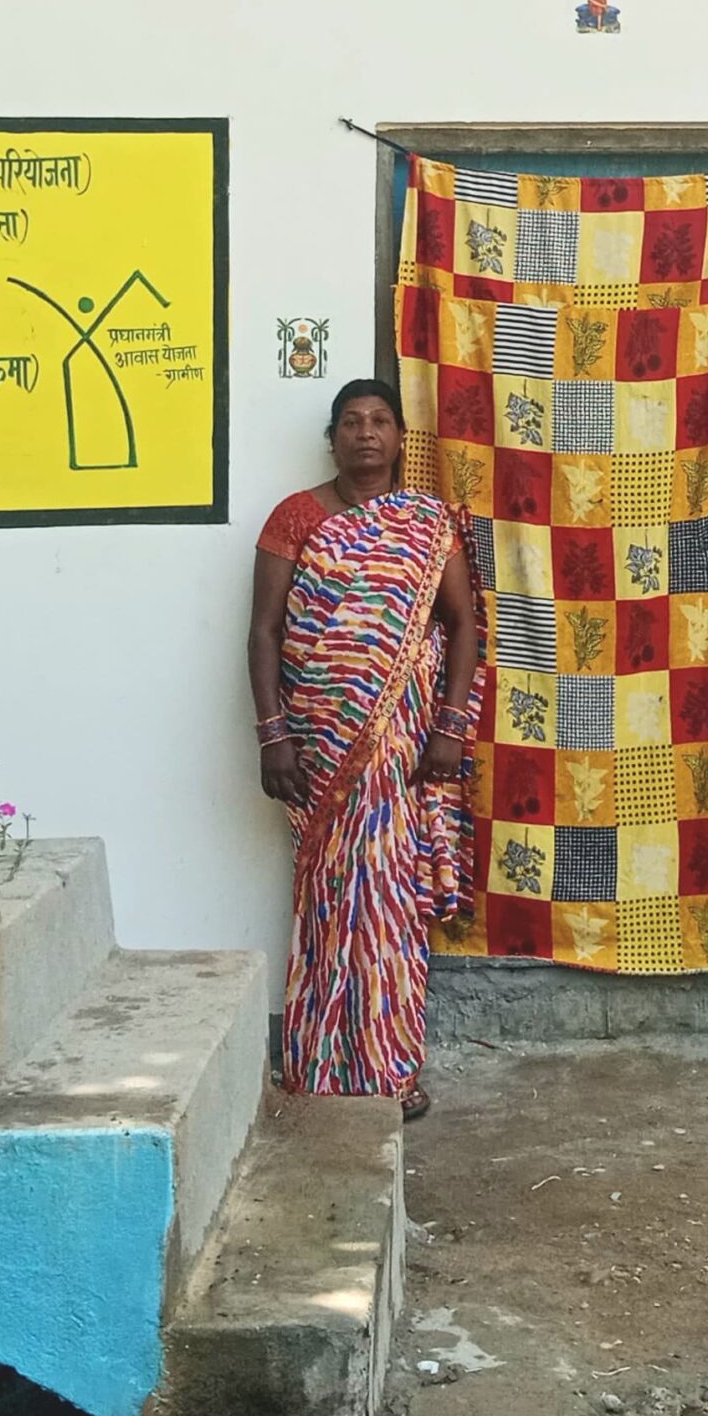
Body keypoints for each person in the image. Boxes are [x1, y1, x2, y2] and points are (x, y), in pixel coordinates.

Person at [247, 377, 484, 1121]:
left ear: (401, 438)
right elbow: (264, 632)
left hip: (400, 746)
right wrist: (273, 735)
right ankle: (319, 1062)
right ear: (333, 439)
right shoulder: (295, 517)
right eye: (351, 422)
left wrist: (450, 726)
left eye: (380, 420)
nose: (366, 434)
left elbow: (463, 626)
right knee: (328, 897)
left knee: (386, 897)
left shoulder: (427, 523)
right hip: (317, 747)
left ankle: (389, 1064)